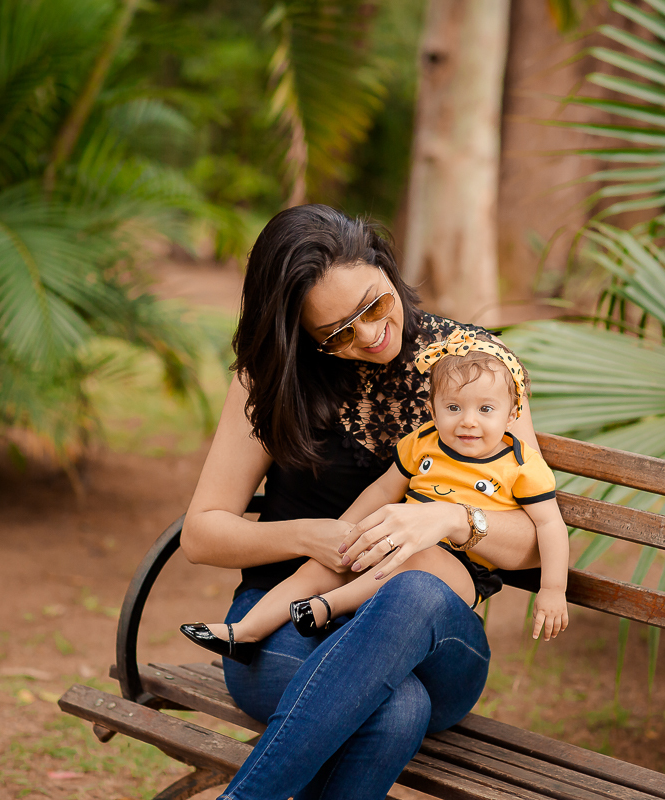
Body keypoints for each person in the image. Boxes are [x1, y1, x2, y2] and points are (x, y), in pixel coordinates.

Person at [180, 204, 561, 800]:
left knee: (413, 594)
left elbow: (535, 545)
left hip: (431, 640)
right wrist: (311, 535)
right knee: (394, 709)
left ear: (386, 268)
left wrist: (454, 519)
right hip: (282, 625)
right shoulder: (275, 375)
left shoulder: (474, 376)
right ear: (300, 335)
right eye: (336, 333)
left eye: (373, 305)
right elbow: (202, 534)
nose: (369, 334)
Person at [179, 328, 569, 664]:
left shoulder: (520, 464)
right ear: (432, 409)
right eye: (453, 407)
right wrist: (348, 533)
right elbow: (383, 489)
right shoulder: (423, 444)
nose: (469, 420)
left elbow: (549, 524)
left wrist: (553, 589)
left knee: (414, 558)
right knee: (322, 566)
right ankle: (243, 633)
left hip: (462, 570)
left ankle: (327, 607)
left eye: (486, 409)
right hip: (396, 542)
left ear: (512, 412)